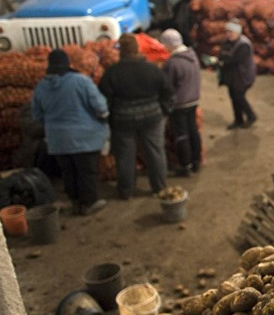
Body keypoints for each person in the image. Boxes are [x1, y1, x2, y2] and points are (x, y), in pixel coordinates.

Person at [31, 49, 109, 215]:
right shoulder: (82, 81)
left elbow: (37, 115)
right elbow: (100, 107)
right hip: (85, 137)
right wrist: (104, 118)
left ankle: (75, 202)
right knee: (86, 171)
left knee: (68, 172)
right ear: (68, 64)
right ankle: (89, 203)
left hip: (57, 140)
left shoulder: (41, 87)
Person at [99, 34, 173, 199]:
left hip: (123, 120)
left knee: (125, 156)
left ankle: (126, 191)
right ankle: (159, 188)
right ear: (137, 50)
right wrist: (164, 110)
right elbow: (167, 91)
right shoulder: (152, 69)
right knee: (156, 152)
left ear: (121, 52)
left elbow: (104, 96)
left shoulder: (112, 73)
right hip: (152, 118)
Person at [160, 29, 203, 176]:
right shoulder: (192, 56)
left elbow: (167, 86)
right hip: (193, 100)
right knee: (193, 131)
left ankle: (185, 165)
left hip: (180, 104)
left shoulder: (172, 63)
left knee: (181, 135)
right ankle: (196, 161)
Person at [218, 19, 257, 129]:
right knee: (233, 97)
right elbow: (221, 55)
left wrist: (222, 61)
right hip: (232, 76)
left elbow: (233, 60)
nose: (229, 34)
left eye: (231, 32)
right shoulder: (227, 42)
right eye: (227, 32)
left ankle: (251, 116)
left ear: (238, 32)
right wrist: (222, 59)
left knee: (239, 97)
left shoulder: (244, 45)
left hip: (243, 76)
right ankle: (238, 120)